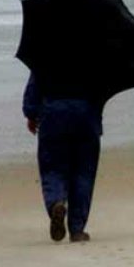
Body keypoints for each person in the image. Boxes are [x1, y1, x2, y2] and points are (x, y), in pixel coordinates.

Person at [23, 73, 104, 243]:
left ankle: (56, 202)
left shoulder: (45, 52)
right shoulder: (96, 54)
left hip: (52, 116)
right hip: (86, 117)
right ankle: (77, 230)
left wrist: (31, 114)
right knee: (83, 173)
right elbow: (102, 91)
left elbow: (34, 86)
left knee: (53, 168)